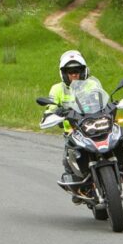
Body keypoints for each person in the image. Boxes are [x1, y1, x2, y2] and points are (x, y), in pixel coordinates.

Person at [42, 50, 92, 182]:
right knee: (68, 160)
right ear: (64, 73)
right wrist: (54, 113)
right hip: (73, 132)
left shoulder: (91, 84)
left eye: (77, 70)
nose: (74, 74)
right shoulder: (57, 89)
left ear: (83, 71)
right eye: (70, 72)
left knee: (120, 137)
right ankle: (77, 184)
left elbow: (102, 100)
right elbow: (50, 108)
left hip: (94, 126)